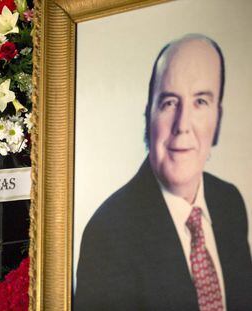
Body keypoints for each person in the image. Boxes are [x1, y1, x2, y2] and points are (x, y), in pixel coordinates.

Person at [74, 34, 252, 311]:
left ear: (217, 119)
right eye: (169, 102)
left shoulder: (230, 202)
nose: (183, 125)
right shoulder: (108, 235)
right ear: (148, 116)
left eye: (201, 102)